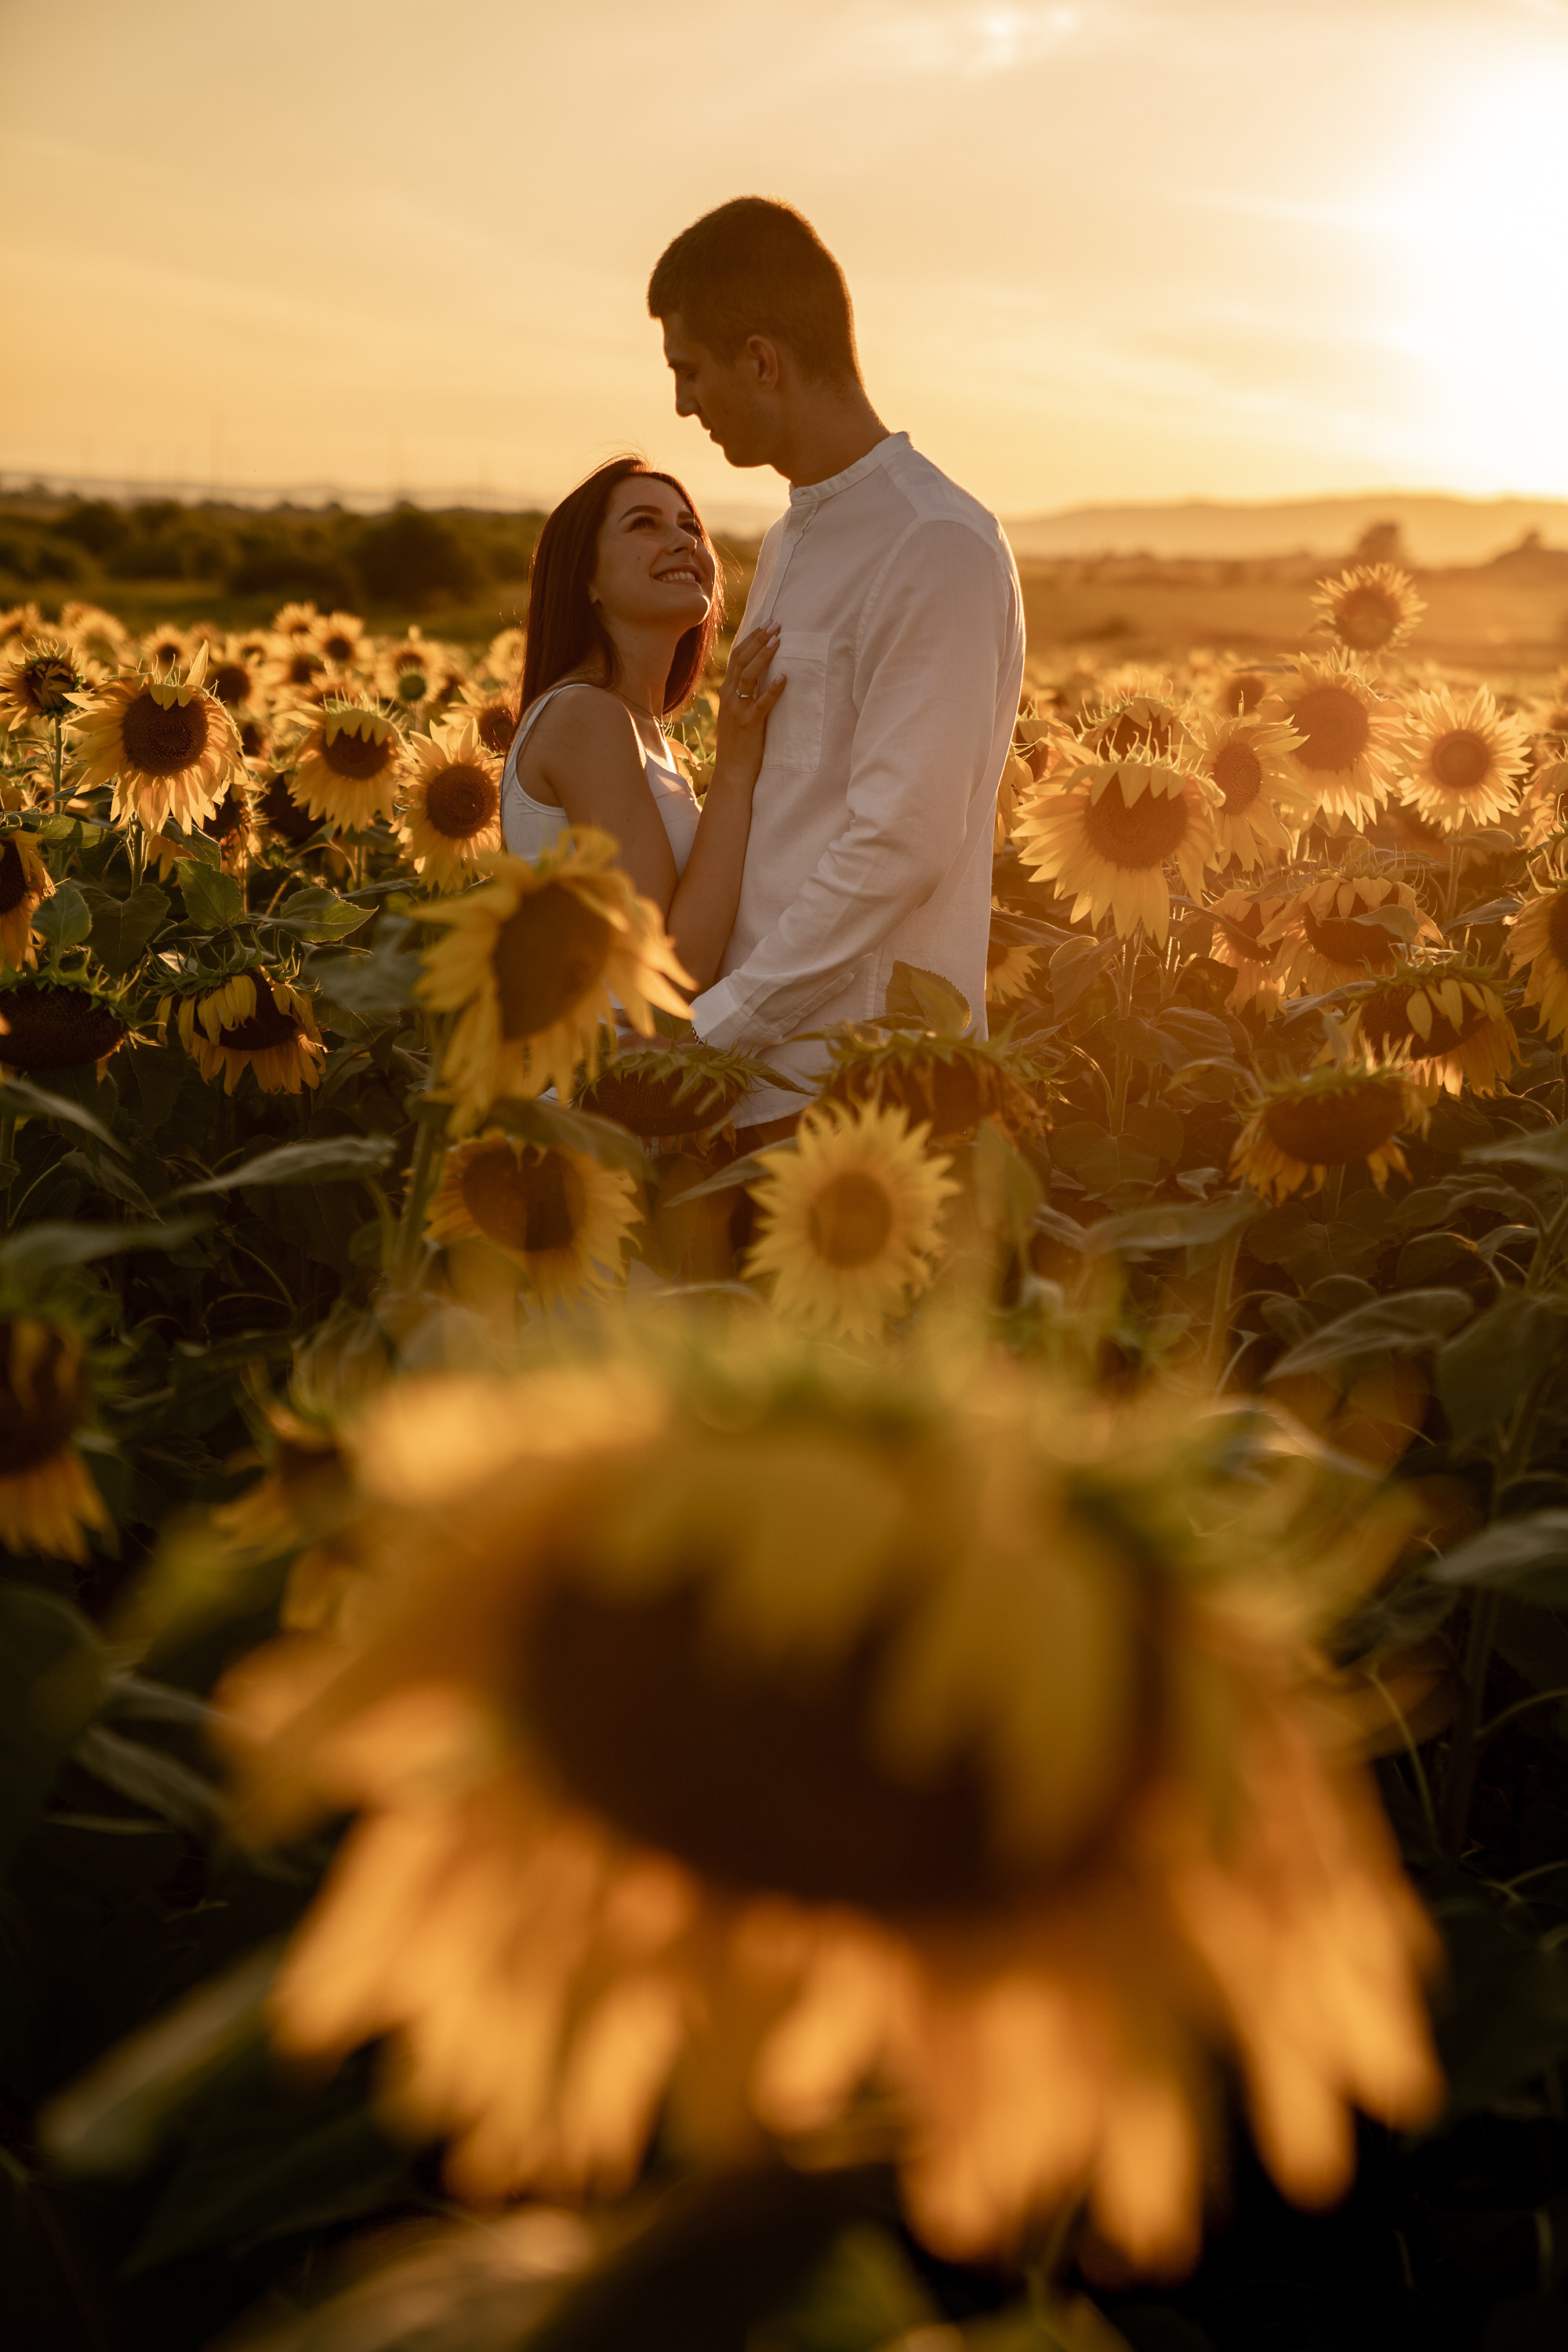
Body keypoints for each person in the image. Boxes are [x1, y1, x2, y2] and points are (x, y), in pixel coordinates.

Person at [648, 197, 1025, 1147]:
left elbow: (899, 841)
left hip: (858, 1094)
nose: (681, 405)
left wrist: (720, 1027)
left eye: (689, 371)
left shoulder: (932, 542)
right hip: (753, 1082)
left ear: (761, 360)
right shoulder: (785, 542)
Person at [500, 456, 784, 994]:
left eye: (690, 526)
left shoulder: (646, 735)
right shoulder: (585, 716)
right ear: (586, 580)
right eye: (644, 524)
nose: (685, 542)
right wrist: (735, 767)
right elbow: (669, 972)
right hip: (603, 1074)